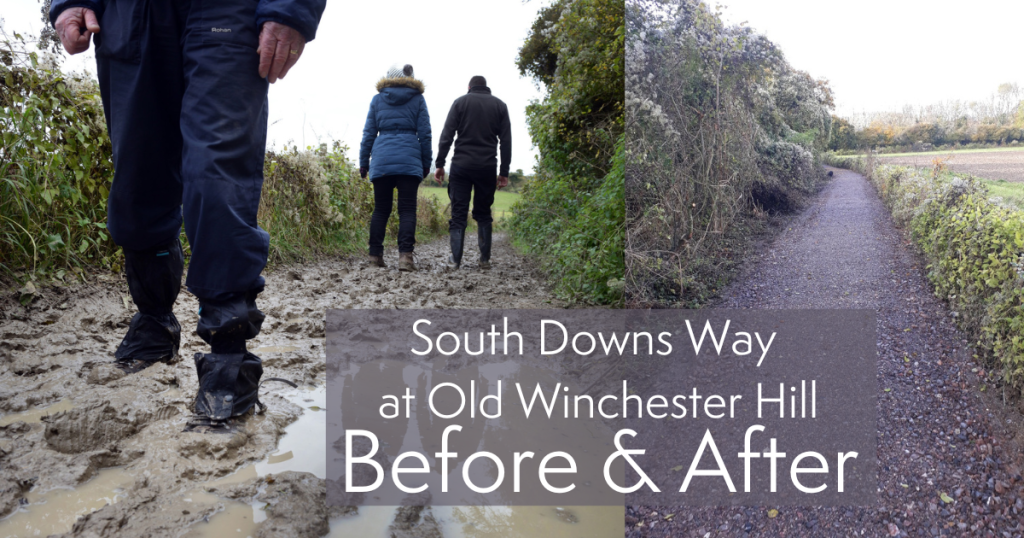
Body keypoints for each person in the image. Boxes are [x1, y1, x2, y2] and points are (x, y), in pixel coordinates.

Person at [51, 0, 325, 431]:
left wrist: (292, 9)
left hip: (229, 11)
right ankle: (154, 321)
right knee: (139, 171)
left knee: (217, 169)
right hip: (129, 15)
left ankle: (228, 355)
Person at [359, 64, 432, 271]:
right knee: (407, 210)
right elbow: (425, 134)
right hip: (409, 161)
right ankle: (405, 258)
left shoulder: (377, 99)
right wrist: (426, 163)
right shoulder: (418, 99)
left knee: (381, 209)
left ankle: (374, 257)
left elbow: (369, 134)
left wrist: (364, 162)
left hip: (381, 160)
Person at [434, 75, 511, 270]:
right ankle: (484, 259)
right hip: (487, 167)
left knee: (459, 211)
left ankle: (455, 260)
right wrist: (504, 172)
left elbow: (447, 134)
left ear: (469, 87)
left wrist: (440, 163)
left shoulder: (460, 103)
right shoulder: (500, 106)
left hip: (461, 166)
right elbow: (506, 141)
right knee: (484, 212)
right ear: (486, 87)